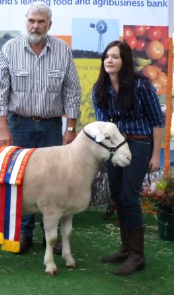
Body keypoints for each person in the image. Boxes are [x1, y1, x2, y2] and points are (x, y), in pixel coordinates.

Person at [0, 3, 81, 255]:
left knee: (55, 180)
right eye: (32, 20)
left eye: (41, 21)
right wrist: (1, 127)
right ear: (25, 21)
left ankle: (51, 234)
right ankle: (23, 232)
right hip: (18, 125)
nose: (36, 25)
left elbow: (72, 91)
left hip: (53, 126)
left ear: (49, 25)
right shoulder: (10, 49)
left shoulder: (63, 50)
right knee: (19, 179)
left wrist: (71, 127)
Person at [92, 40, 164, 275]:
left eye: (115, 57)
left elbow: (156, 120)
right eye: (106, 57)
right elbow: (103, 126)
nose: (109, 61)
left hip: (139, 143)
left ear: (125, 61)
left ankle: (137, 255)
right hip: (114, 147)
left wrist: (155, 154)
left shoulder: (142, 85)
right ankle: (126, 248)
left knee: (129, 196)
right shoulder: (99, 89)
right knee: (116, 196)